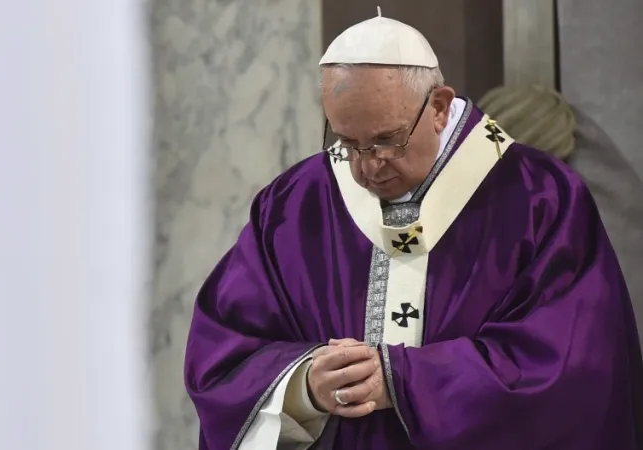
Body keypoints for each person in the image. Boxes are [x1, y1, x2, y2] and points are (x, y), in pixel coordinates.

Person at [184, 9, 643, 450]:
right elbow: (225, 354)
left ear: (439, 107)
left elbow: (575, 367)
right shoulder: (295, 203)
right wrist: (304, 385)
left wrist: (405, 379)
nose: (367, 167)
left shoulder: (540, 198)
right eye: (348, 143)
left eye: (387, 140)